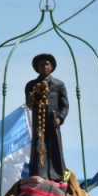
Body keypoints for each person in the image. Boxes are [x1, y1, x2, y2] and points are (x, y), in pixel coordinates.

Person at [24, 53, 69, 181]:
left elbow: (65, 105)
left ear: (52, 67)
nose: (44, 66)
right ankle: (39, 173)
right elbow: (29, 104)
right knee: (39, 146)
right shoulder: (31, 85)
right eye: (41, 64)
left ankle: (58, 174)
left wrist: (60, 118)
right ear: (37, 68)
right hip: (39, 122)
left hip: (53, 122)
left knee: (55, 147)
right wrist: (33, 96)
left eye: (47, 64)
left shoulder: (59, 85)